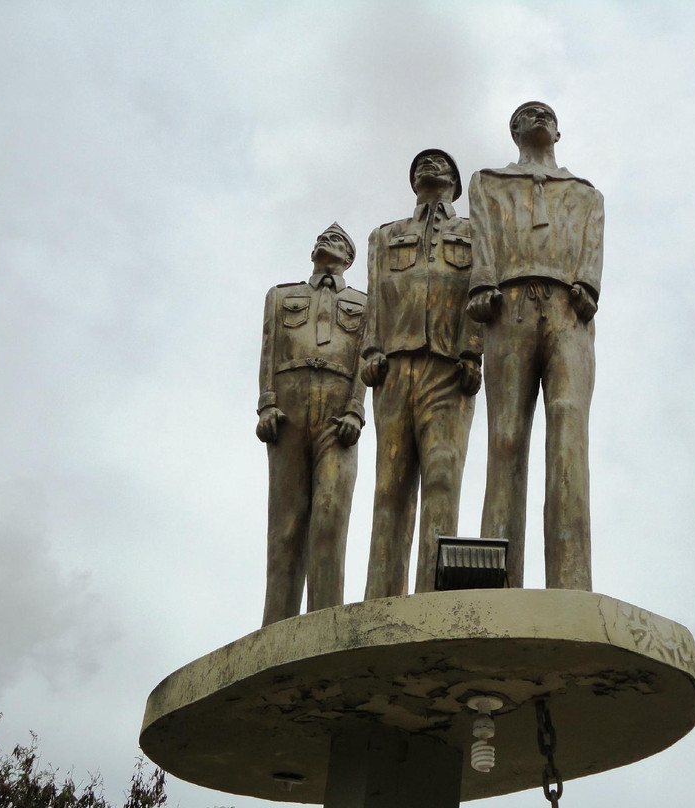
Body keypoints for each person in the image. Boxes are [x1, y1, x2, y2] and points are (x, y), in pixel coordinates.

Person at [467, 102, 604, 591]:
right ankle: (496, 582)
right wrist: (483, 283)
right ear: (515, 129)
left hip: (569, 308)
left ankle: (571, 580)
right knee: (505, 435)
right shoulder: (489, 182)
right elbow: (482, 236)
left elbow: (591, 246)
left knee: (568, 425)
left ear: (559, 131)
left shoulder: (584, 193)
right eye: (528, 114)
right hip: (510, 305)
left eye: (546, 113)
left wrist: (587, 284)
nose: (538, 117)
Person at [362, 149, 482, 598]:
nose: (428, 167)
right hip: (393, 366)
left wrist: (474, 352)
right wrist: (371, 349)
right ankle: (380, 598)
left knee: (442, 475)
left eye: (439, 163)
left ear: (454, 179)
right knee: (389, 485)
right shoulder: (385, 235)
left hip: (447, 366)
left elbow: (479, 293)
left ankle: (431, 595)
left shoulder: (474, 233)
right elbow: (375, 298)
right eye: (420, 164)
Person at [256, 223, 367, 625]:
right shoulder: (282, 296)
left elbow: (363, 361)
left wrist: (356, 409)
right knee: (284, 525)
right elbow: (268, 350)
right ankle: (275, 627)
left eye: (337, 240)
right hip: (290, 409)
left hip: (336, 415)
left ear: (349, 258)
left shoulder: (364, 303)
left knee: (329, 516)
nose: (326, 242)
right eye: (322, 238)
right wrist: (266, 404)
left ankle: (324, 622)